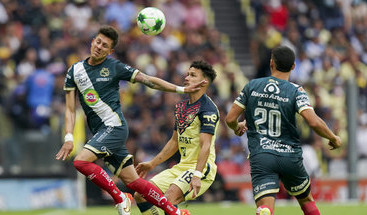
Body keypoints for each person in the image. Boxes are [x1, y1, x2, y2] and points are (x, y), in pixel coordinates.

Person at [55, 25, 204, 215]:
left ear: (111, 51)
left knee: (80, 162)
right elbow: (69, 109)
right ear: (93, 41)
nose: (99, 47)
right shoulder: (74, 71)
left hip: (114, 127)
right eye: (98, 42)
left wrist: (181, 89)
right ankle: (174, 212)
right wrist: (69, 137)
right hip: (100, 131)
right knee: (134, 182)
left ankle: (120, 197)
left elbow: (148, 80)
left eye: (105, 45)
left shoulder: (114, 67)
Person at [225, 46, 342, 215]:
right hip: (289, 155)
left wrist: (237, 127)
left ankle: (265, 211)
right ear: (293, 66)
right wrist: (333, 137)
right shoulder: (296, 91)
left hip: (262, 154)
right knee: (307, 201)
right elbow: (313, 121)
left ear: (271, 63)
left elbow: (230, 119)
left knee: (266, 206)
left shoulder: (252, 86)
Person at [134, 60, 219, 215]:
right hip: (181, 167)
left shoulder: (208, 109)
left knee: (168, 200)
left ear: (204, 82)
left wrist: (197, 175)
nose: (186, 78)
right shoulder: (181, 107)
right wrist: (152, 164)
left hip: (201, 168)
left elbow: (205, 145)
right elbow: (174, 141)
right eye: (187, 74)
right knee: (140, 195)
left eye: (192, 75)